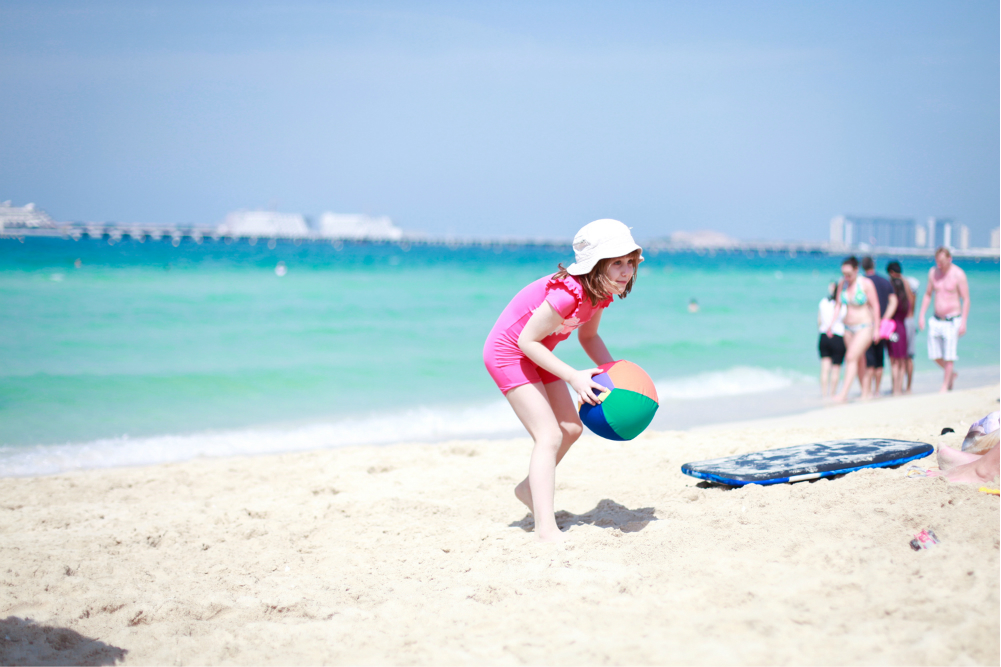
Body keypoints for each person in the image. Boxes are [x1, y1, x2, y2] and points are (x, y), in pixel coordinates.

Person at [483, 219, 642, 542]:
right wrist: (572, 376)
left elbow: (589, 336)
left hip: (540, 351)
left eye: (630, 262)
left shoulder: (599, 294)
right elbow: (525, 341)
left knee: (571, 428)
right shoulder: (568, 293)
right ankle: (545, 529)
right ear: (595, 266)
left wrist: (614, 371)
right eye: (616, 263)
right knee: (549, 435)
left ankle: (529, 488)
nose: (626, 271)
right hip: (509, 354)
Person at [918, 247, 970, 393]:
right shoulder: (933, 273)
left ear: (949, 259)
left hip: (952, 320)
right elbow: (928, 294)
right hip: (936, 319)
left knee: (949, 356)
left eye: (942, 262)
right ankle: (952, 375)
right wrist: (921, 315)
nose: (939, 265)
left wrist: (964, 322)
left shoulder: (958, 274)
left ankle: (944, 386)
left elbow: (966, 299)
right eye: (937, 262)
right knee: (934, 355)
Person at [830, 257, 880, 403]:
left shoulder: (866, 284)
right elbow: (838, 305)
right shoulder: (842, 284)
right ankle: (865, 392)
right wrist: (831, 324)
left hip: (864, 326)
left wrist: (877, 328)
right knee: (859, 360)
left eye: (849, 274)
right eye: (844, 274)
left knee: (851, 357)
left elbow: (875, 306)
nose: (846, 277)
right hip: (847, 328)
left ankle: (843, 394)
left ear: (856, 270)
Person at [861, 256, 897, 397]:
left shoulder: (862, 283)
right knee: (879, 358)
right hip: (882, 325)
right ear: (874, 265)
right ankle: (877, 390)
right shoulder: (884, 281)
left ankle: (868, 389)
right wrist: (884, 318)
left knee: (869, 359)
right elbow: (893, 302)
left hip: (867, 324)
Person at [884, 263, 914, 396]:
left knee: (894, 362)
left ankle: (894, 388)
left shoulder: (892, 302)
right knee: (902, 360)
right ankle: (900, 389)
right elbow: (910, 310)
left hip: (892, 330)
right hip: (902, 330)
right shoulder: (905, 302)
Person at [817, 281, 846, 398]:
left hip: (824, 335)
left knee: (824, 369)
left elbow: (819, 321)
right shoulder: (843, 305)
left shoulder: (823, 302)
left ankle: (824, 394)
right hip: (838, 335)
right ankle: (832, 394)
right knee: (836, 368)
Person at [902, 272, 920, 393]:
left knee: (907, 357)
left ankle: (907, 387)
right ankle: (906, 386)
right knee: (906, 357)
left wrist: (902, 280)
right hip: (910, 323)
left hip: (907, 323)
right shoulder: (913, 296)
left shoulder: (910, 296)